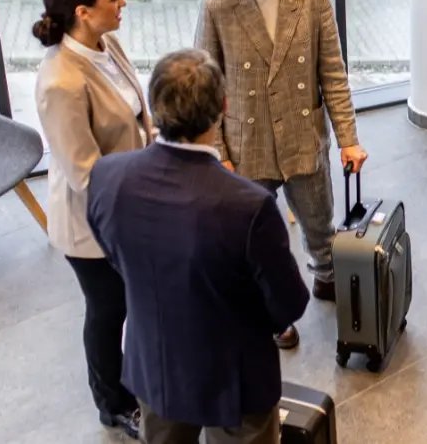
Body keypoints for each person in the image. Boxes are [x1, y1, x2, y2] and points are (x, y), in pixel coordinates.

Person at [88, 49, 310, 444]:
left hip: (155, 365)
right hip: (237, 380)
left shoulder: (108, 177)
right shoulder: (249, 205)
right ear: (222, 108)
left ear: (153, 108)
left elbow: (113, 252)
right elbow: (289, 304)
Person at [195, 0, 367, 350]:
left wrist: (349, 140)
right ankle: (273, 315)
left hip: (301, 139)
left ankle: (328, 279)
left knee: (320, 223)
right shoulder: (219, 5)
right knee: (255, 241)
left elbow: (333, 72)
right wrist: (219, 154)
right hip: (245, 147)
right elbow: (206, 85)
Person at [32, 0, 150, 440]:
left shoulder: (108, 44)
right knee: (108, 309)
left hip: (131, 201)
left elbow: (138, 117)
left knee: (131, 301)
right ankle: (112, 402)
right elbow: (86, 173)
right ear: (83, 11)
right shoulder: (61, 82)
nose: (123, 4)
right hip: (93, 223)